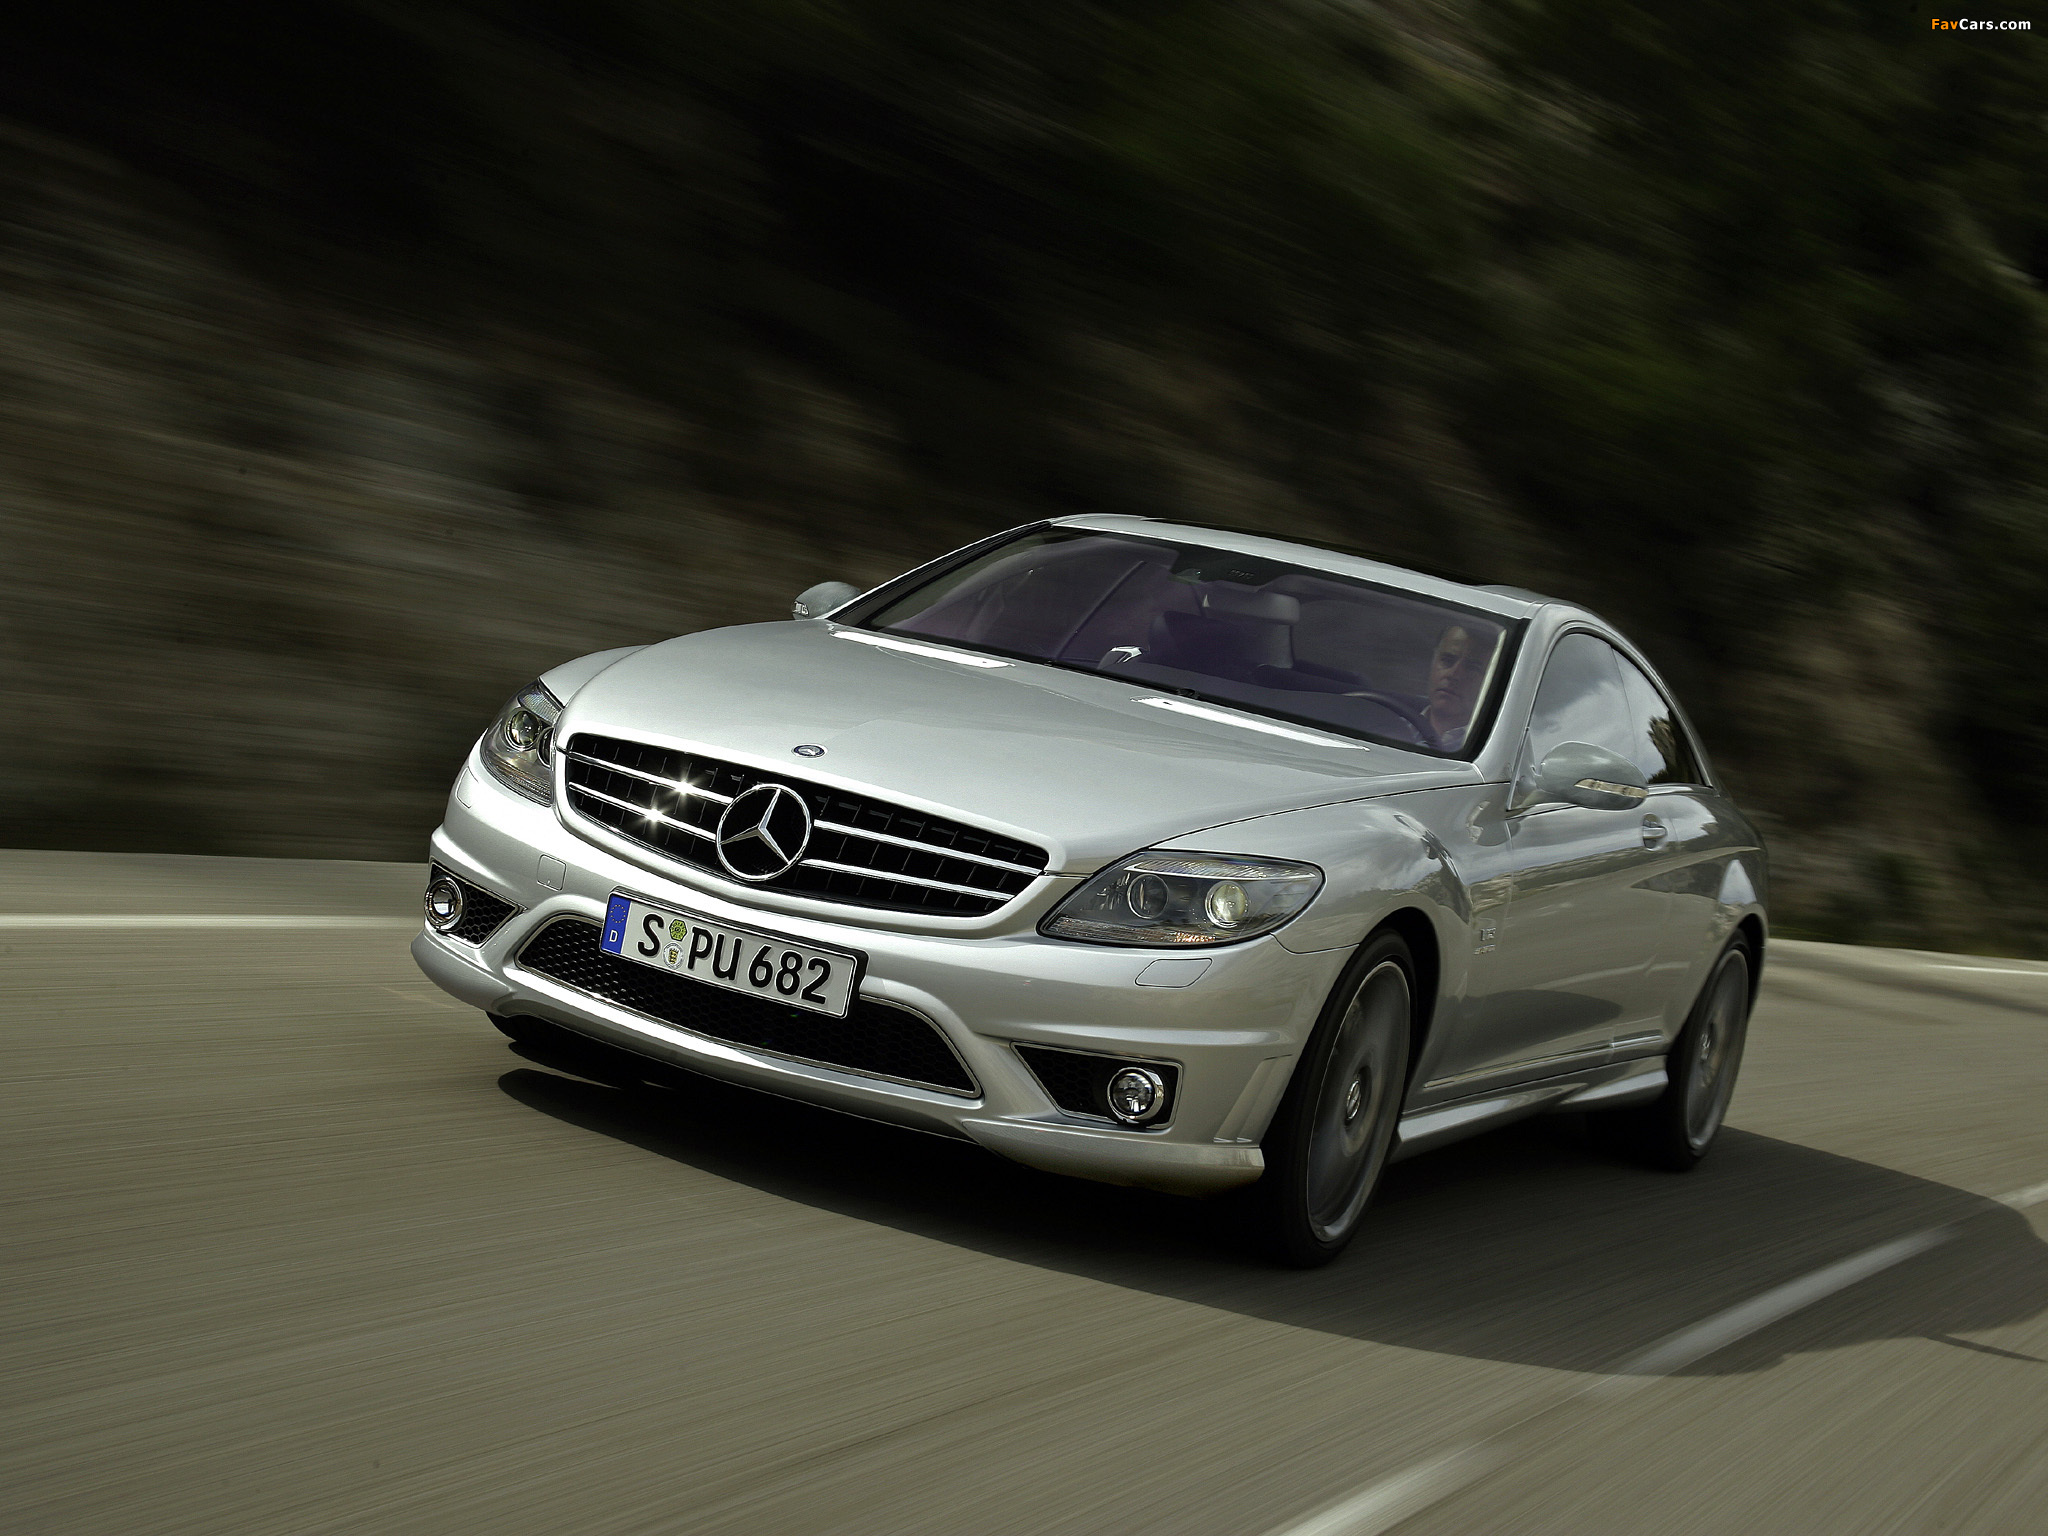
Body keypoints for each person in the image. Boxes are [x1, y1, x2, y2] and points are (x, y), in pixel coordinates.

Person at [1421, 624, 1490, 750]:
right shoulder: (1393, 723)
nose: (1453, 675)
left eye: (1472, 668)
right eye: (1447, 660)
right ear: (1433, 661)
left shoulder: (1488, 748)